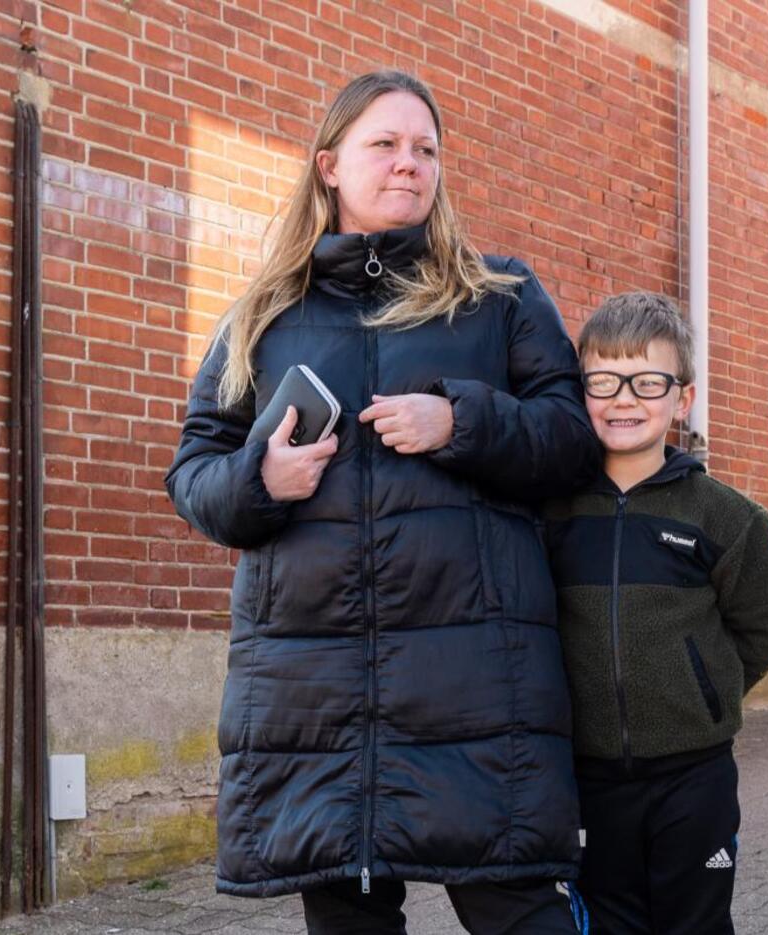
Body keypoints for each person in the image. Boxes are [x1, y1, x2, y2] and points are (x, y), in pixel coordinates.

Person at [165, 69, 599, 935]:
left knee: (519, 909)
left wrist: (461, 420)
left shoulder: (500, 296)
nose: (410, 163)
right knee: (347, 917)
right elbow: (193, 473)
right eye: (387, 144)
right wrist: (260, 480)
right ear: (329, 165)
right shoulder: (260, 315)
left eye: (426, 149)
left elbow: (571, 439)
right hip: (315, 696)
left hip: (477, 688)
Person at [542, 293, 768, 934]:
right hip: (587, 778)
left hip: (694, 774)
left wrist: (701, 693)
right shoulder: (550, 513)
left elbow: (762, 631)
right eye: (603, 380)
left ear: (683, 399)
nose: (624, 399)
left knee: (696, 923)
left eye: (648, 382)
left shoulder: (729, 518)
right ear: (580, 391)